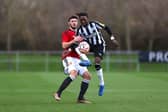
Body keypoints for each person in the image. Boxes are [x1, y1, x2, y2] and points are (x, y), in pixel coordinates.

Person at [76, 12, 119, 96]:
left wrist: (112, 38)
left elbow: (106, 27)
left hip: (99, 45)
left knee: (97, 63)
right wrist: (80, 44)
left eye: (84, 19)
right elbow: (77, 40)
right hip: (89, 46)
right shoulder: (80, 30)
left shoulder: (94, 24)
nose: (83, 21)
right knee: (78, 48)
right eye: (81, 20)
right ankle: (87, 61)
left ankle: (102, 84)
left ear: (87, 18)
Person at [53, 15, 92, 104]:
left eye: (75, 21)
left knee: (87, 76)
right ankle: (58, 93)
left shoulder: (80, 34)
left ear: (77, 23)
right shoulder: (66, 33)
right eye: (72, 21)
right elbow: (64, 45)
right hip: (69, 57)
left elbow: (83, 47)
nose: (74, 22)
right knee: (73, 73)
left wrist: (86, 49)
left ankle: (80, 98)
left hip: (78, 59)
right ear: (69, 23)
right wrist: (74, 41)